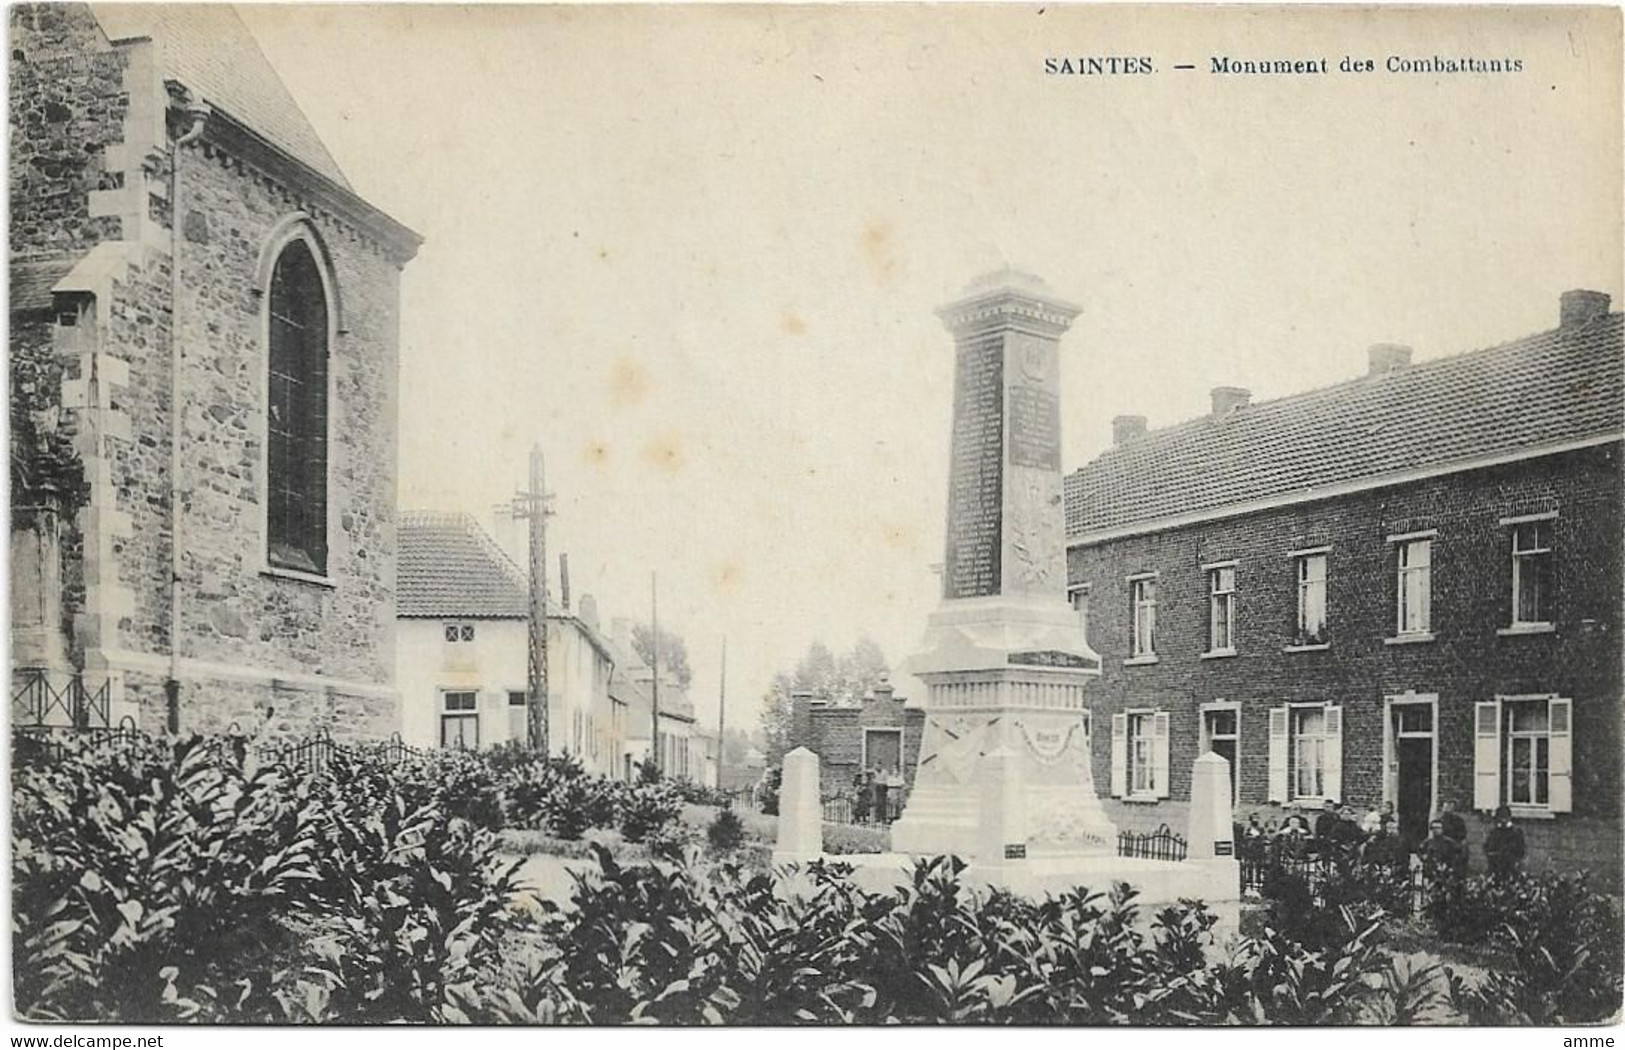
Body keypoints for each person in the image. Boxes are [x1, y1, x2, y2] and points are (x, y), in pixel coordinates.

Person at [1483, 805, 1526, 878]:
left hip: (1511, 866)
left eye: (1504, 818)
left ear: (1509, 818)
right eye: (1500, 819)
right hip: (1496, 867)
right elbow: (1488, 847)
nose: (1502, 821)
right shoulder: (1495, 832)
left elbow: (1520, 850)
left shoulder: (1515, 833)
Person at [1419, 818, 1467, 883]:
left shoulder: (1449, 843)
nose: (1435, 830)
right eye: (1433, 828)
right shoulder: (1427, 843)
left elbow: (1458, 855)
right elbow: (1421, 854)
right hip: (1431, 873)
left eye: (1438, 828)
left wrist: (1451, 866)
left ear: (1442, 829)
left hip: (1447, 872)